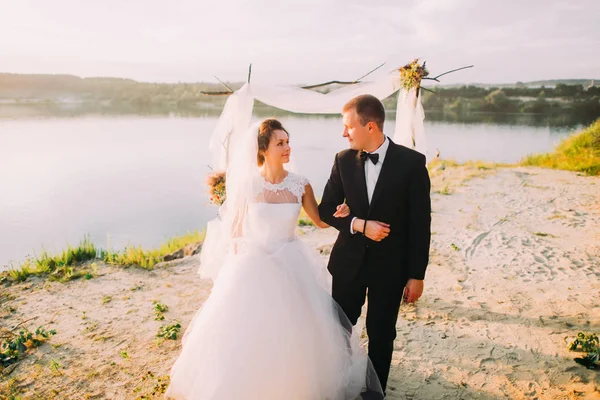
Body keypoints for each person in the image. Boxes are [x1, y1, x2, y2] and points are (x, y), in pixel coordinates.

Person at [166, 118, 382, 399]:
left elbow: (318, 221)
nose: (287, 147)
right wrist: (243, 258)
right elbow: (236, 229)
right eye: (280, 143)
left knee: (299, 331)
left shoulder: (300, 184)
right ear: (263, 149)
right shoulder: (248, 185)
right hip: (255, 263)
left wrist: (340, 213)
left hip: (292, 261)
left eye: (288, 141)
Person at [319, 94, 432, 395]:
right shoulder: (343, 160)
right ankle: (338, 382)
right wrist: (358, 224)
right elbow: (326, 208)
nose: (344, 134)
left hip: (390, 268)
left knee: (382, 334)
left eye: (348, 127)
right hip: (348, 263)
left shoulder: (411, 163)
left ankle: (375, 391)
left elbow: (420, 225)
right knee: (339, 329)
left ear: (370, 126)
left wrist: (417, 275)